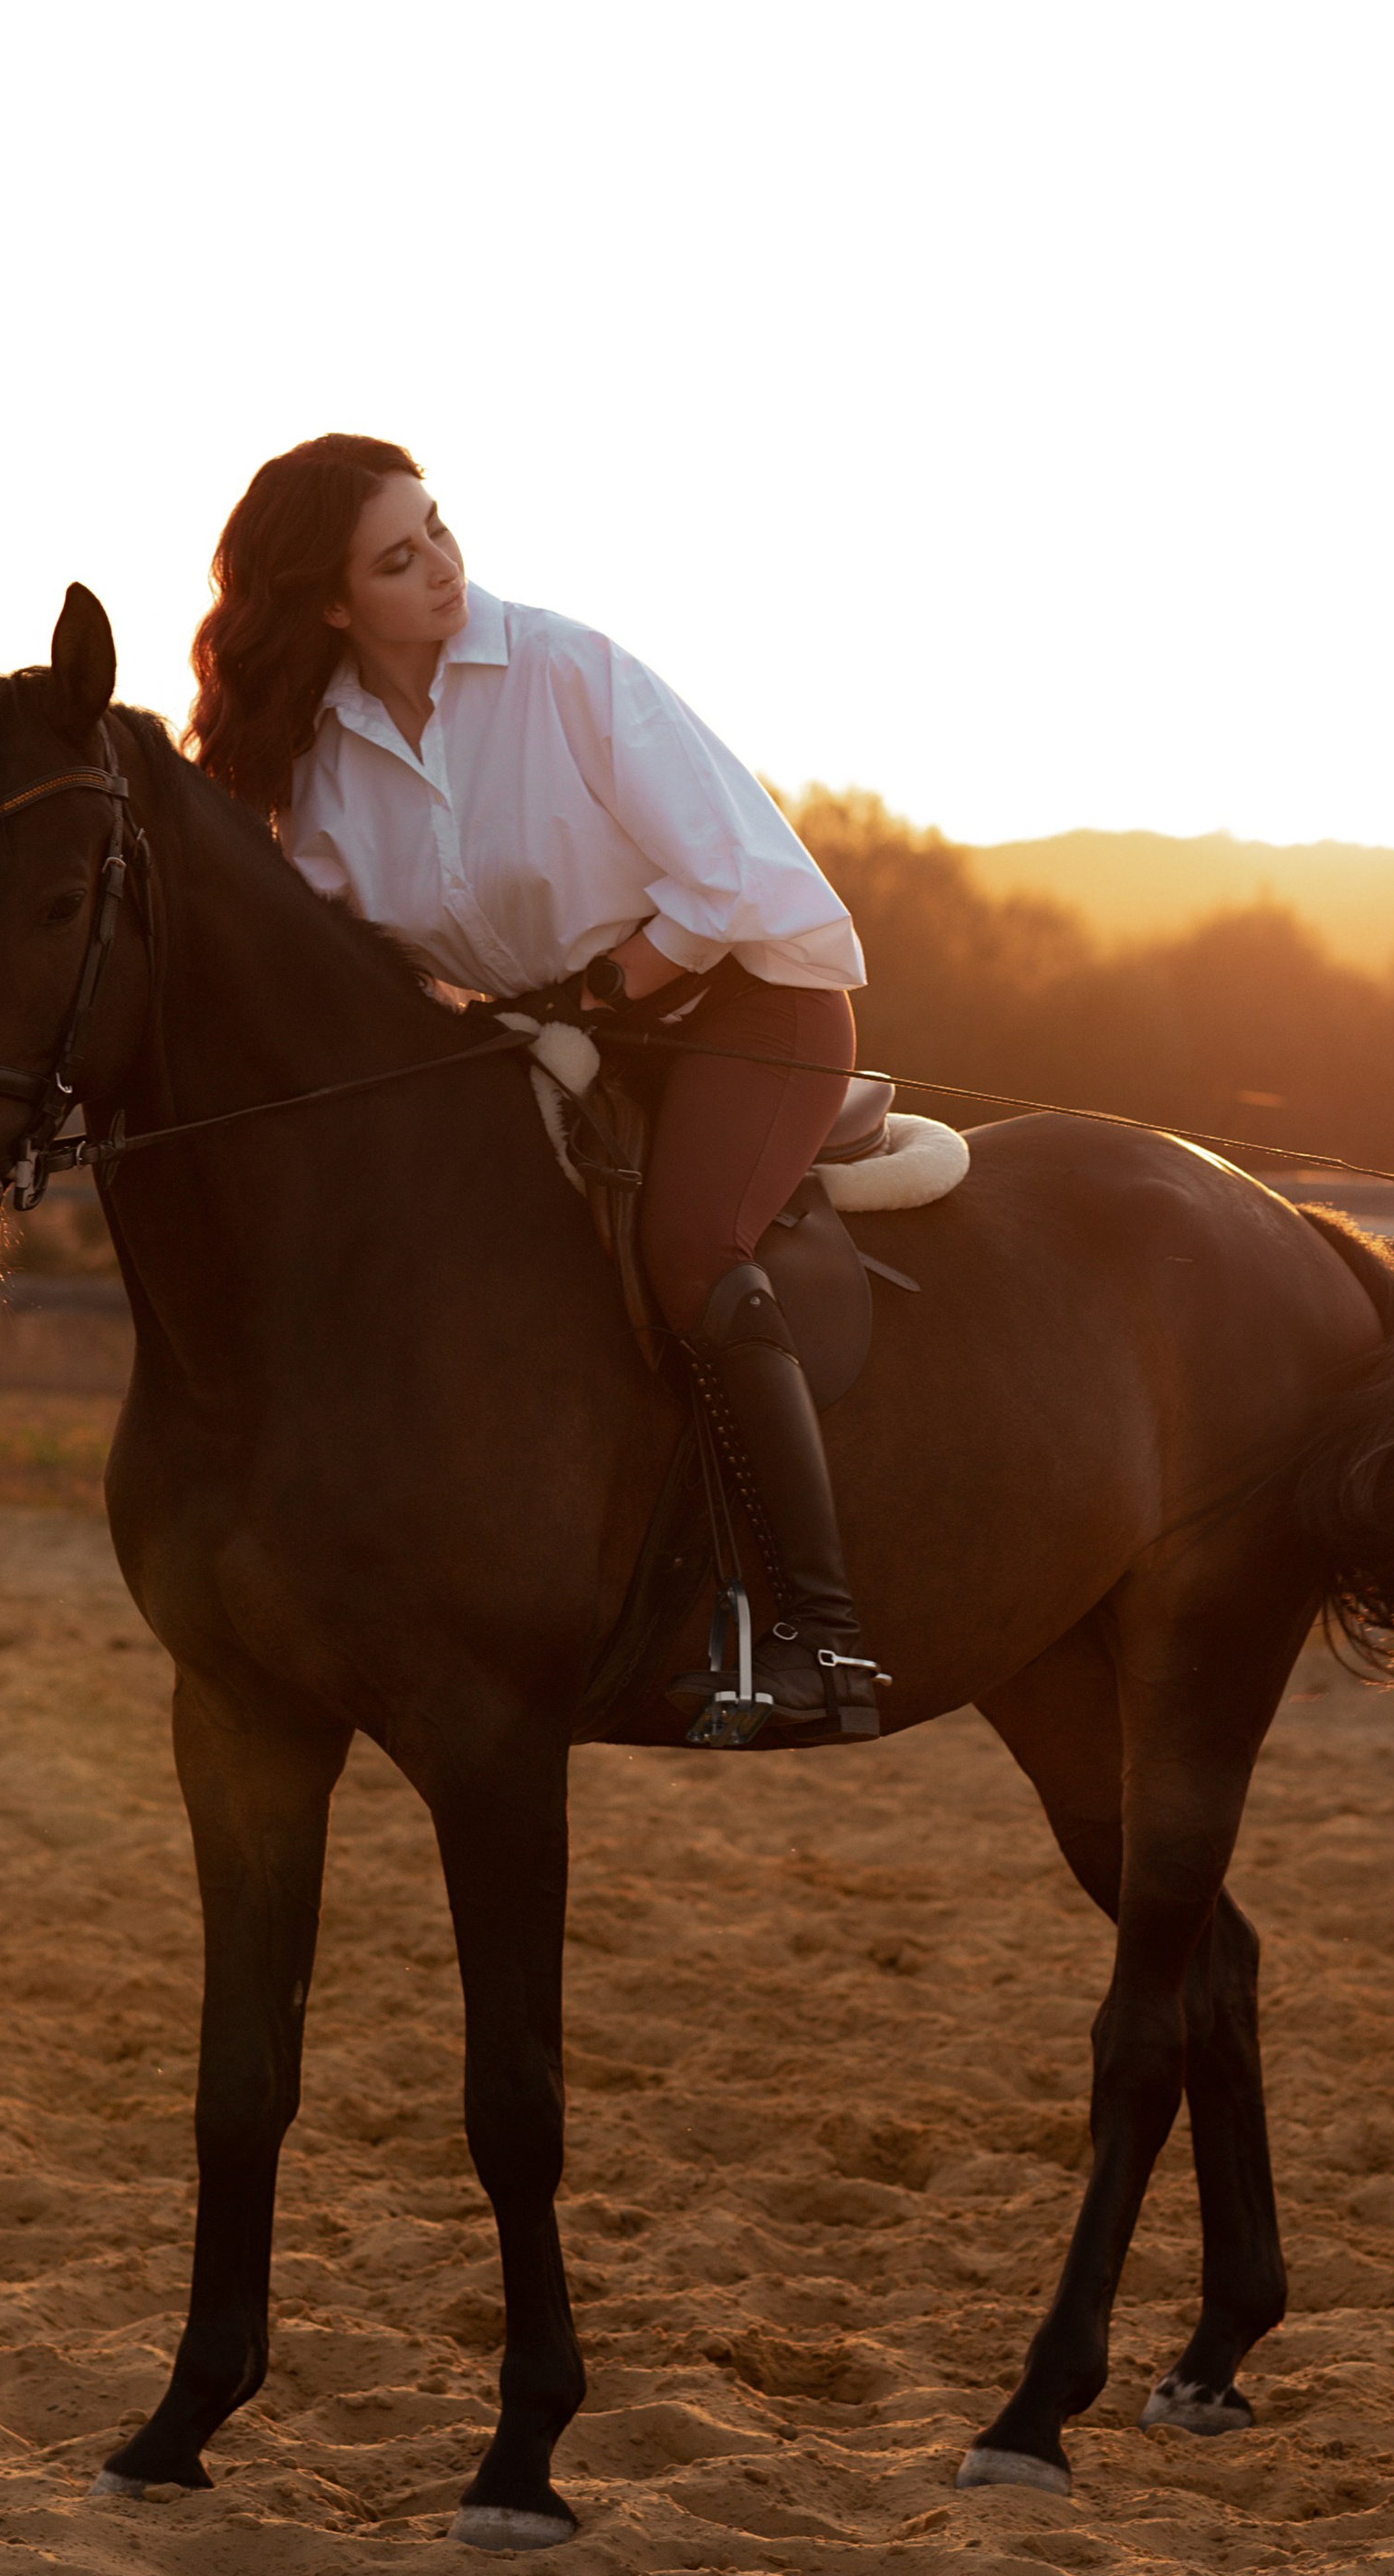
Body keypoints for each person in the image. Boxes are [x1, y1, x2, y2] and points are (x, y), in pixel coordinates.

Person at [188, 432, 886, 1742]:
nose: (445, 569)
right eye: (400, 559)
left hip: (741, 999)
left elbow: (729, 878)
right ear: (334, 604)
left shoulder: (566, 668)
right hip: (544, 1036)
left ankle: (822, 1636)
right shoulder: (318, 758)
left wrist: (596, 999)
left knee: (688, 1249)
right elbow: (342, 960)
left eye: (440, 531)